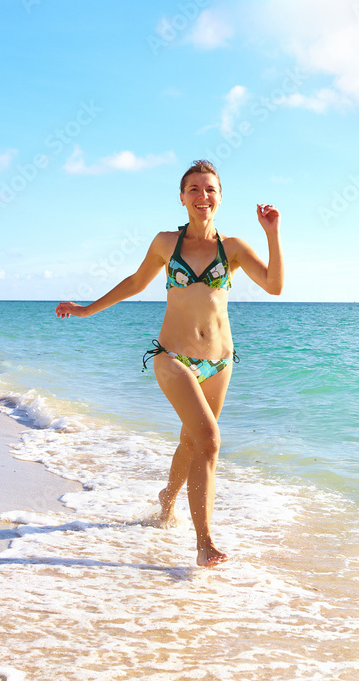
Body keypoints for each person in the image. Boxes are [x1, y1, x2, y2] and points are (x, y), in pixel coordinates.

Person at [55, 160, 284, 567]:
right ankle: (205, 542)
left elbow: (275, 286)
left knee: (190, 441)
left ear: (220, 196)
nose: (202, 196)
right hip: (171, 357)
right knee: (210, 440)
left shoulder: (232, 249)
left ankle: (168, 500)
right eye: (194, 189)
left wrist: (272, 234)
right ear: (182, 197)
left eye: (210, 189)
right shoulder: (166, 243)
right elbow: (135, 282)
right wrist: (88, 309)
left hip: (220, 362)